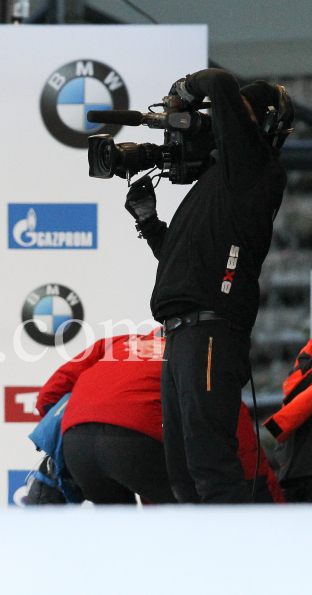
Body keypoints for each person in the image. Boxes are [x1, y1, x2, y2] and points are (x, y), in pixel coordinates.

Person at [123, 69, 293, 503]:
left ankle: (234, 566)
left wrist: (182, 92)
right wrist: (149, 223)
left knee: (210, 466)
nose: (221, 122)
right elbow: (184, 264)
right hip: (183, 334)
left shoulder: (255, 167)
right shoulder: (219, 182)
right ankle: (200, 564)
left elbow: (218, 82)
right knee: (181, 474)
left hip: (210, 331)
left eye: (238, 116)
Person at [36, 330, 283, 504]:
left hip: (77, 446)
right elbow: (243, 453)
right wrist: (276, 507)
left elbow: (48, 396)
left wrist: (85, 423)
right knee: (195, 518)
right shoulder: (201, 362)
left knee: (115, 539)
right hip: (137, 446)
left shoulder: (119, 342)